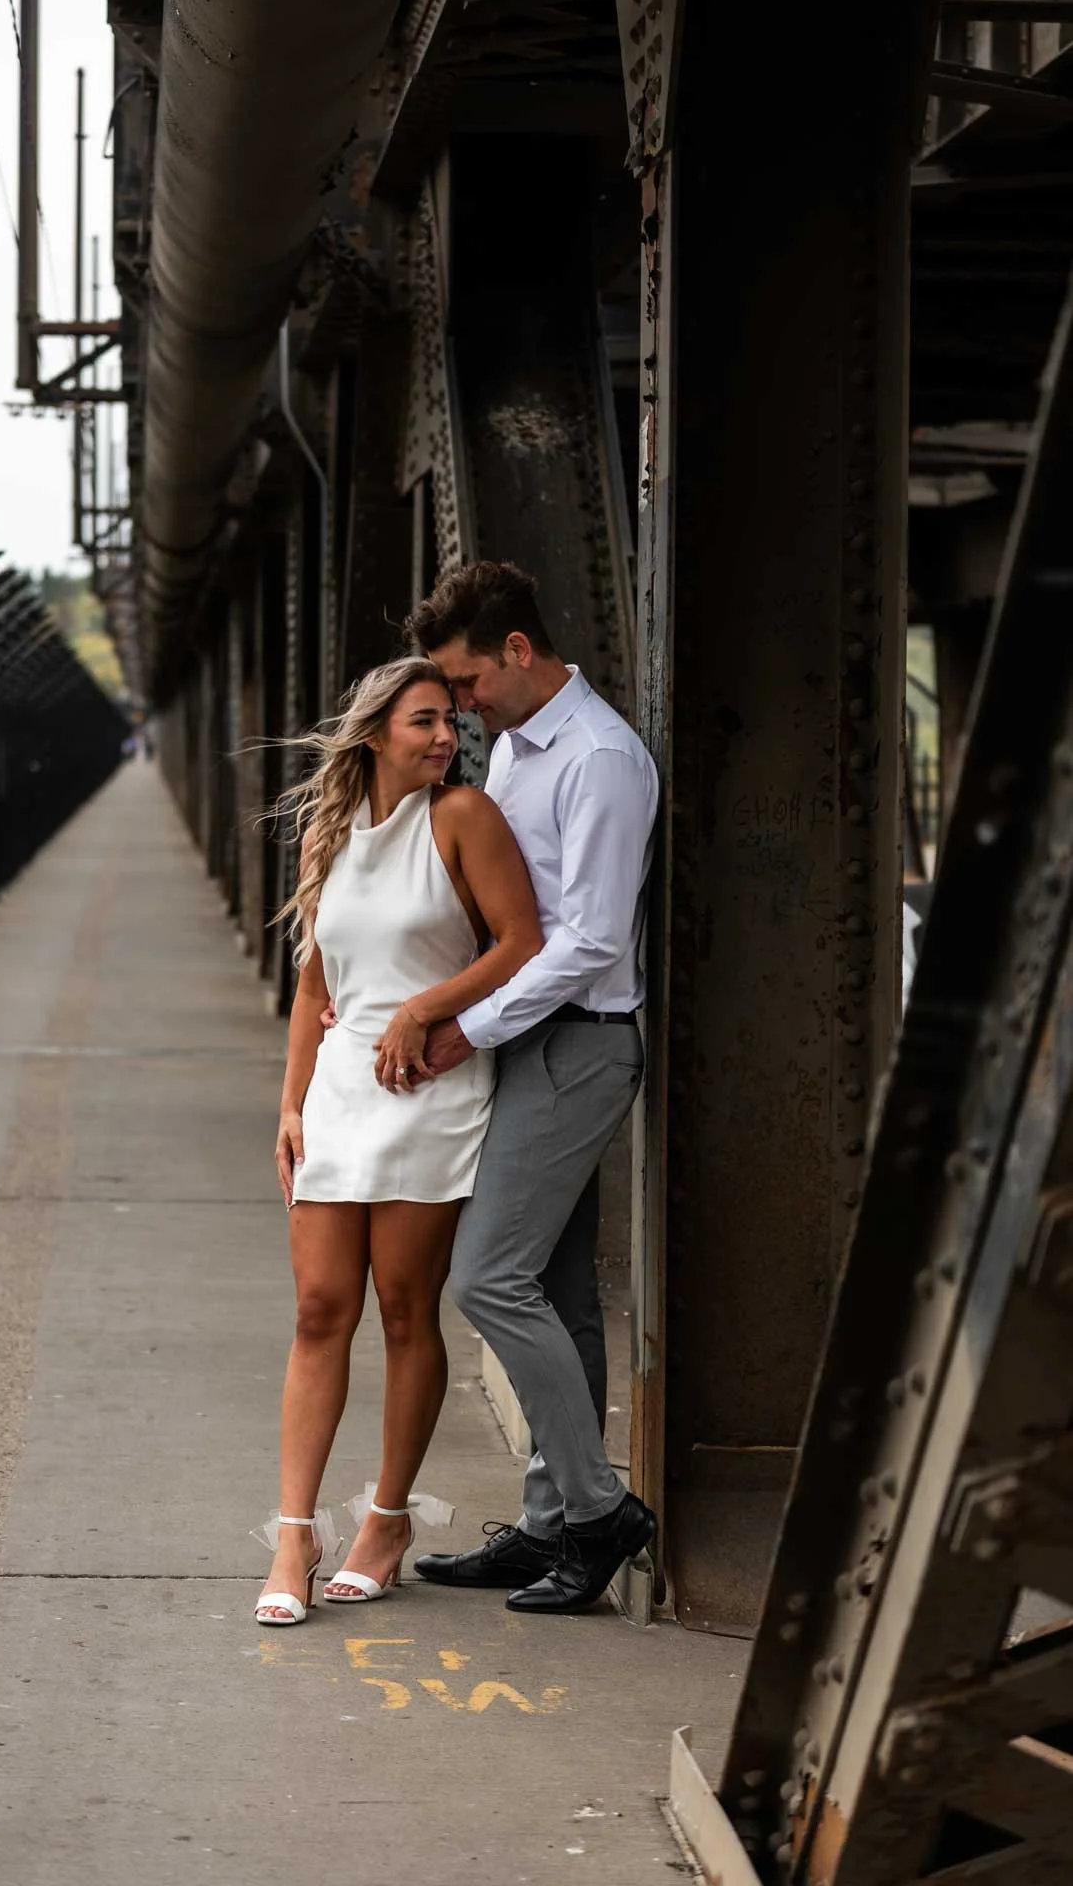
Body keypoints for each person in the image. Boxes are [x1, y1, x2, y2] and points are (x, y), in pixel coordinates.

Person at [255, 657, 543, 1625]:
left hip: (430, 1088)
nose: (442, 738)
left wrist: (426, 1007)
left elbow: (520, 943)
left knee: (404, 1307)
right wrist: (290, 1103)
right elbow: (309, 986)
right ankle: (293, 1533)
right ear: (375, 731)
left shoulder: (461, 819)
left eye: (447, 723)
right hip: (340, 1089)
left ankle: (384, 1519)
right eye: (422, 722)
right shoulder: (324, 834)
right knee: (318, 1307)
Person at [405, 561, 661, 1614]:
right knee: (551, 1288)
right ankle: (552, 1524)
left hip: (575, 1044)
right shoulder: (513, 748)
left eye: (466, 683)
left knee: (486, 1279)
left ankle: (601, 1513)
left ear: (516, 651)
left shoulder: (598, 759)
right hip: (530, 1040)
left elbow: (592, 938)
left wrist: (467, 1027)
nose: (459, 708)